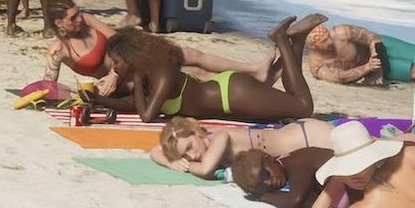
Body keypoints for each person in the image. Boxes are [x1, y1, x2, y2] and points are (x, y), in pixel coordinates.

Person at [91, 16, 320, 123]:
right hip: (232, 96)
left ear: (131, 57)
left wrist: (138, 78)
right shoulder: (152, 75)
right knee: (291, 108)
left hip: (232, 94)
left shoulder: (161, 73)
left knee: (303, 107)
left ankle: (281, 38)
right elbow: (133, 104)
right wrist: (98, 100)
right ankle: (297, 41)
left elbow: (147, 115)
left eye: (117, 61)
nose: (114, 67)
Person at [42, 0, 277, 94]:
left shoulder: (90, 21)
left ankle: (254, 70)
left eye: (78, 14)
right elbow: (47, 87)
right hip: (123, 83)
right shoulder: (58, 51)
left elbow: (120, 42)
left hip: (128, 61)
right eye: (73, 18)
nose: (79, 19)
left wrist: (116, 70)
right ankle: (255, 85)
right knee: (194, 73)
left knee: (191, 54)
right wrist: (79, 91)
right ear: (59, 24)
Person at [153, 116, 339, 178]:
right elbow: (154, 150)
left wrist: (181, 164)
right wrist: (171, 161)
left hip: (308, 137)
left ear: (196, 133)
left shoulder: (220, 137)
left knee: (363, 147)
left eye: (190, 147)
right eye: (185, 155)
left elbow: (205, 169)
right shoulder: (206, 143)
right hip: (301, 142)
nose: (192, 155)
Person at [306, 22, 415, 85]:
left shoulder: (341, 32)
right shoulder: (318, 66)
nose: (330, 41)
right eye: (324, 41)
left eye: (328, 37)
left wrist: (375, 58)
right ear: (314, 46)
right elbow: (341, 77)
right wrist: (368, 68)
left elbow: (371, 36)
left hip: (378, 47)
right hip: (369, 66)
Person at [232, 147, 335, 208]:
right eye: (262, 187)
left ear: (269, 158)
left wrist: (265, 197)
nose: (269, 183)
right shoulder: (285, 161)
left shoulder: (297, 164)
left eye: (265, 175)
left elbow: (295, 202)